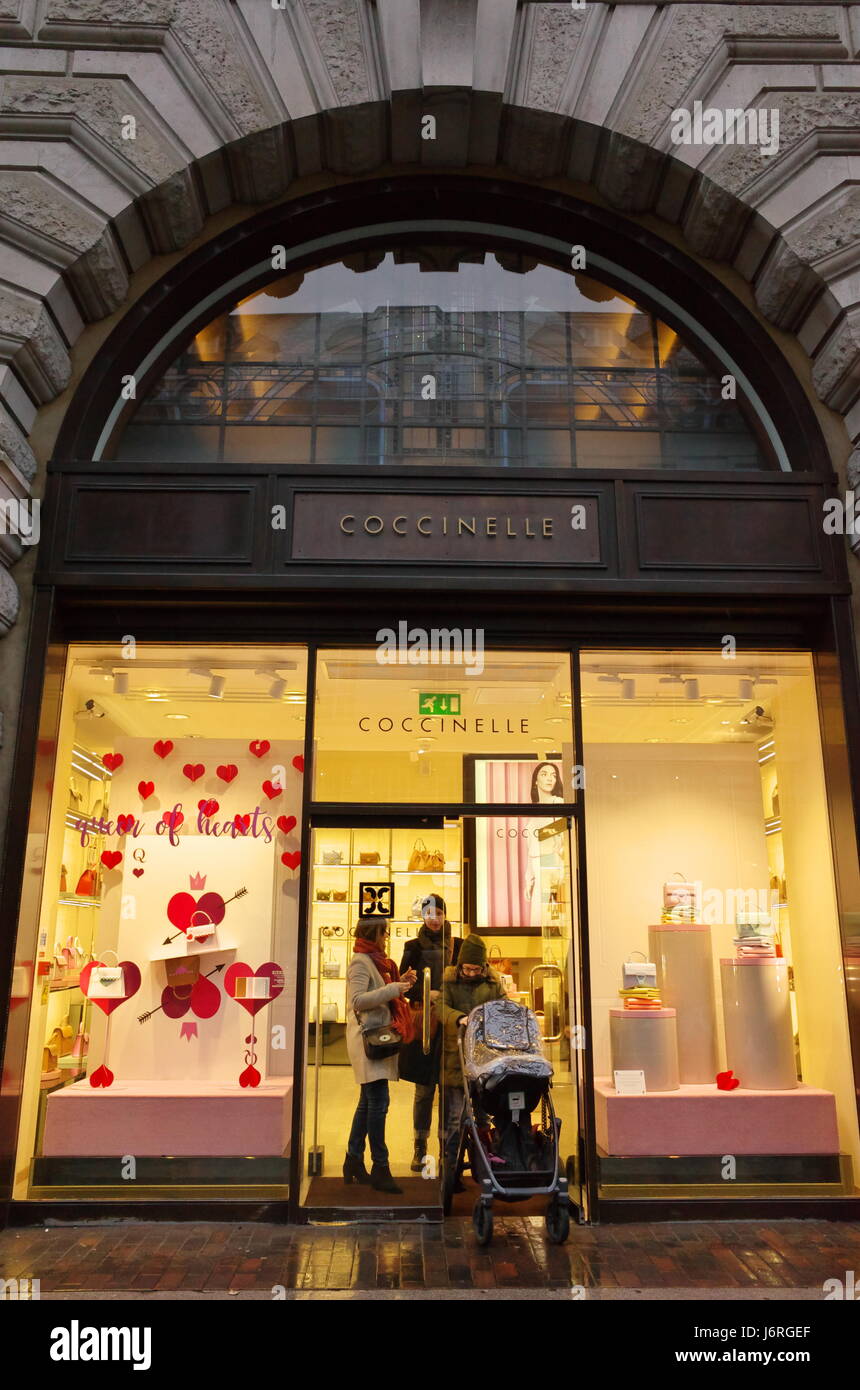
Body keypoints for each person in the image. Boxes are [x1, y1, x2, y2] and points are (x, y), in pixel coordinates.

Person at [344, 917, 416, 1194]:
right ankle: (380, 1167)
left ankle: (353, 1160)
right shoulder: (360, 961)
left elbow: (377, 992)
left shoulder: (376, 961)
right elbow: (358, 1001)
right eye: (384, 932)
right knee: (378, 1102)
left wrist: (399, 982)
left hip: (379, 1037)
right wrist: (393, 989)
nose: (387, 937)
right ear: (375, 934)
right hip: (369, 1040)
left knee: (368, 1102)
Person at [398, 894, 462, 1172]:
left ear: (445, 914)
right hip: (423, 1023)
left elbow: (468, 983)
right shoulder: (412, 947)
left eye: (438, 912)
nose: (434, 918)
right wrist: (426, 992)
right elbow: (402, 985)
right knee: (424, 1091)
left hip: (450, 1026)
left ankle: (446, 1149)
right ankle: (420, 1147)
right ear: (421, 917)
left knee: (449, 1091)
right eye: (428, 913)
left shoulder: (458, 947)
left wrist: (446, 996)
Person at [438, 933, 506, 1185]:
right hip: (455, 1058)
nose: (470, 972)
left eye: (475, 968)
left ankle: (485, 1165)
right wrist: (459, 1017)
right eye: (466, 968)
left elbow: (503, 1005)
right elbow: (440, 1008)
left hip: (485, 1059)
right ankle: (451, 1170)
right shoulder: (449, 981)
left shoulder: (492, 984)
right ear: (460, 965)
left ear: (483, 966)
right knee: (454, 1118)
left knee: (483, 1114)